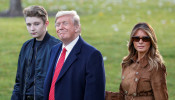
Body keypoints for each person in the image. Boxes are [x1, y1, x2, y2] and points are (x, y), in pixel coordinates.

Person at [44, 10, 105, 100]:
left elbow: (94, 95)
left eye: (65, 23)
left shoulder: (92, 55)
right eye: (57, 25)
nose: (60, 27)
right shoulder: (54, 50)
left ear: (77, 28)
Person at [11, 5, 60, 100]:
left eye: (36, 24)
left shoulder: (57, 47)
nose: (32, 28)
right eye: (28, 24)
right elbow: (19, 81)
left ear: (46, 23)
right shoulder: (26, 46)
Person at [119, 22, 168, 100]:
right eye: (136, 38)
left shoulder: (156, 67)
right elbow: (122, 96)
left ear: (151, 41)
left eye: (145, 39)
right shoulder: (127, 63)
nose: (140, 42)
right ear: (132, 41)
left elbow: (161, 97)